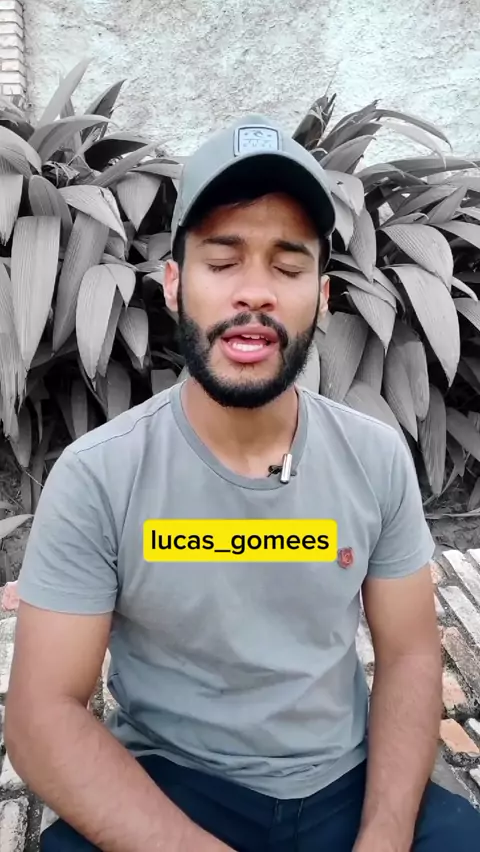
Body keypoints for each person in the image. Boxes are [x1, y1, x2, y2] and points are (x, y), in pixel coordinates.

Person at [5, 114, 480, 852]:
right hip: (171, 790)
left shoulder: (375, 458)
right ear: (174, 285)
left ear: (322, 296)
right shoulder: (99, 477)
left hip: (345, 782)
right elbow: (43, 715)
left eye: (288, 268)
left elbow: (412, 654)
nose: (254, 292)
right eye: (222, 261)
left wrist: (384, 835)